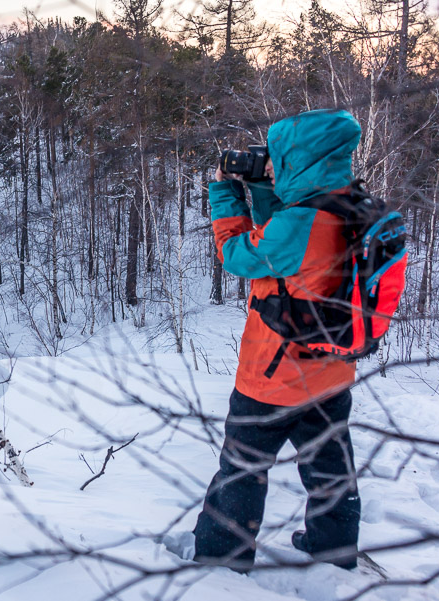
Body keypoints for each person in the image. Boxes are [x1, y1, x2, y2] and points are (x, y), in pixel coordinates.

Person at [171, 109, 364, 572]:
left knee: (242, 470)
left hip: (274, 377)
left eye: (280, 157)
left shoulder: (300, 225)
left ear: (304, 158)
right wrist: (262, 191)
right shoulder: (349, 203)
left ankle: (222, 557)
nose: (271, 164)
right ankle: (333, 547)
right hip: (331, 370)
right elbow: (288, 238)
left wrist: (223, 194)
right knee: (330, 469)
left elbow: (239, 255)